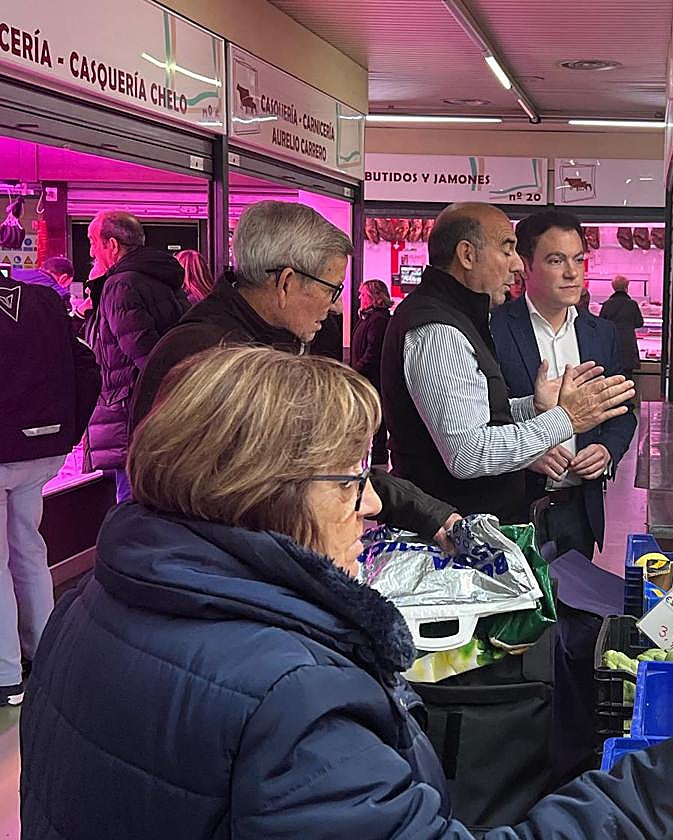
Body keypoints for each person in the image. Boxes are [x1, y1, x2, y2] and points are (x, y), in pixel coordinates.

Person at [19, 345, 673, 840]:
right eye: (352, 480)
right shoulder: (293, 698)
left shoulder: (90, 605)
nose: (375, 504)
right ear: (263, 491)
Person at [131, 201, 458, 546]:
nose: (335, 306)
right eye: (333, 289)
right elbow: (291, 474)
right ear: (286, 282)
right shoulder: (216, 357)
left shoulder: (252, 340)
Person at [380, 202, 635, 525]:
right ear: (467, 255)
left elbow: (474, 413)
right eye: (507, 250)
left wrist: (531, 407)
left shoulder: (462, 317)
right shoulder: (439, 330)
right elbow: (467, 452)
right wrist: (565, 418)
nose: (516, 265)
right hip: (452, 532)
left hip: (497, 522)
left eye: (579, 260)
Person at [492, 210, 637, 559]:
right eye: (556, 260)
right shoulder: (493, 328)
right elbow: (480, 415)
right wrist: (525, 452)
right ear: (525, 265)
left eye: (578, 259)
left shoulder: (601, 333)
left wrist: (607, 452)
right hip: (512, 510)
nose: (572, 273)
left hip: (578, 510)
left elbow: (622, 412)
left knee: (577, 610)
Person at [0, 273, 100, 706]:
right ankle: (43, 652)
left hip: (5, 447)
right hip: (44, 445)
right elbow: (87, 366)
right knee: (28, 550)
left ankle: (5, 674)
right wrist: (68, 431)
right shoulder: (43, 299)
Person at [83, 210, 189, 503]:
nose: (92, 252)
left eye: (93, 243)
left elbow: (141, 352)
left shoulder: (120, 284)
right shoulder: (162, 278)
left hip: (132, 410)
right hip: (160, 408)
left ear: (112, 245)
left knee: (131, 500)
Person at [351, 279, 393, 465]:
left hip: (372, 377)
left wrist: (355, 370)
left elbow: (373, 352)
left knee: (376, 417)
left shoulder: (379, 320)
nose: (360, 297)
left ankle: (378, 456)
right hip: (366, 376)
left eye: (363, 294)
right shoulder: (368, 318)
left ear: (373, 296)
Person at [598, 274, 645, 373]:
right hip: (628, 348)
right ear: (626, 287)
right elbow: (639, 323)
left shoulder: (607, 304)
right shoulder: (632, 304)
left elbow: (600, 324)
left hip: (611, 347)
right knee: (627, 381)